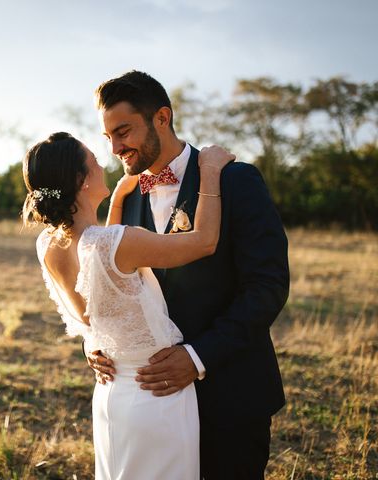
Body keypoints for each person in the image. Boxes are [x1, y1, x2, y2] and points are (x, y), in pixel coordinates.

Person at [87, 70, 290, 479]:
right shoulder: (125, 199)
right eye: (108, 137)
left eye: (123, 131)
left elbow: (267, 287)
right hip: (153, 407)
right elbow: (112, 289)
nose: (115, 148)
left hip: (229, 394)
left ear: (162, 117)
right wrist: (101, 343)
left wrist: (198, 357)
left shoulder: (235, 180)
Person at [22, 131, 235, 479]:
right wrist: (210, 172)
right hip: (157, 392)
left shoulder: (48, 245)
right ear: (80, 178)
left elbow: (102, 270)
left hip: (111, 393)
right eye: (93, 160)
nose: (104, 162)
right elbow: (204, 241)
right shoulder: (118, 243)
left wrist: (118, 196)